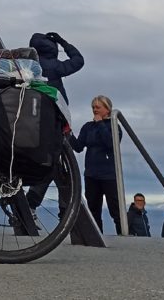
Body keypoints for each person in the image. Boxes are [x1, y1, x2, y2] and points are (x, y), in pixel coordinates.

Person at [25, 31, 84, 219]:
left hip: (33, 120)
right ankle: (63, 211)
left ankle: (30, 206)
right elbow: (78, 60)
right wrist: (63, 41)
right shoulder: (55, 66)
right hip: (55, 121)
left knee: (47, 163)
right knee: (60, 167)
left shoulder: (28, 67)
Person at [69, 95, 122, 235]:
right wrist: (68, 134)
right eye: (93, 107)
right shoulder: (87, 127)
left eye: (98, 107)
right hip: (91, 174)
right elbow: (79, 147)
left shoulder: (114, 126)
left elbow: (110, 144)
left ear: (107, 109)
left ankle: (124, 237)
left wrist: (100, 124)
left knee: (116, 210)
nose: (95, 109)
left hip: (109, 175)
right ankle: (97, 238)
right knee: (93, 209)